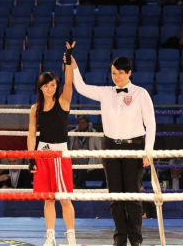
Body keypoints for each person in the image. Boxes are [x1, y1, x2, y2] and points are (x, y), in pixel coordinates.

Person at [68, 47, 156, 246]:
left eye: (120, 73)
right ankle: (120, 238)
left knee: (133, 196)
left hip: (134, 148)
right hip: (110, 148)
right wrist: (74, 67)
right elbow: (81, 87)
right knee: (115, 196)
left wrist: (148, 151)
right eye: (113, 73)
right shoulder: (105, 93)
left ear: (129, 73)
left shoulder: (141, 94)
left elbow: (150, 123)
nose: (116, 77)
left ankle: (136, 240)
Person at [27, 42, 77, 246]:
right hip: (42, 153)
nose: (50, 88)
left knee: (65, 199)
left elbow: (69, 83)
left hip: (61, 154)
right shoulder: (35, 108)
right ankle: (50, 236)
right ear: (41, 87)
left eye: (52, 85)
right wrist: (31, 159)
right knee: (48, 199)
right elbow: (31, 135)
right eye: (46, 85)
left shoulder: (63, 101)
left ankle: (71, 236)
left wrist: (67, 59)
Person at [69, 115, 103, 189]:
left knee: (82, 168)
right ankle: (76, 185)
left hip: (88, 160)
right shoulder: (73, 133)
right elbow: (71, 147)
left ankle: (78, 185)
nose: (81, 125)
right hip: (76, 159)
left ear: (87, 123)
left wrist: (99, 160)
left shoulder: (94, 134)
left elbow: (100, 148)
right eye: (79, 123)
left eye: (83, 123)